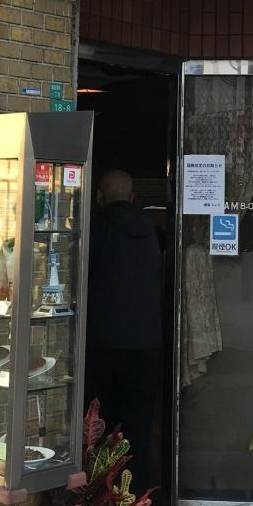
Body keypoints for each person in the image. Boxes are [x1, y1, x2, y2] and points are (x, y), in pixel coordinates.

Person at [84, 169, 162, 488]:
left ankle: (99, 494)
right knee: (138, 424)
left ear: (99, 196)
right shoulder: (151, 230)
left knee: (99, 423)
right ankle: (136, 492)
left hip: (101, 342)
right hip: (146, 343)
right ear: (132, 197)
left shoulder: (94, 227)